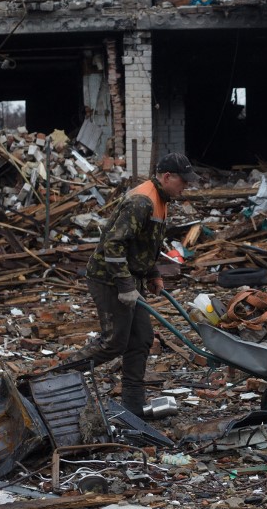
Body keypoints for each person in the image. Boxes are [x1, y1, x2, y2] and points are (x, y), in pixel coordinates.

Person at [71, 152, 198, 416]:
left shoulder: (162, 199)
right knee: (113, 342)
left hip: (130, 277)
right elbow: (113, 245)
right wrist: (126, 285)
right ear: (167, 177)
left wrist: (153, 274)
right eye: (183, 181)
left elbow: (144, 244)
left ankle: (132, 405)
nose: (185, 186)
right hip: (108, 278)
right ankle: (51, 379)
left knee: (141, 338)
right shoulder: (142, 202)